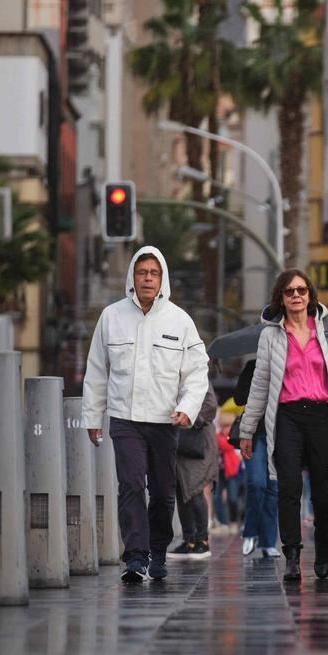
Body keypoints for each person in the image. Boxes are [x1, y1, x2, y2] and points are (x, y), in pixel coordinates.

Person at [82, 246, 209, 583]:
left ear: (162, 278)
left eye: (154, 273)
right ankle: (135, 558)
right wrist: (92, 417)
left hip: (166, 421)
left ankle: (157, 550)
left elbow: (197, 371)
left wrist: (187, 408)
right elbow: (97, 370)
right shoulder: (111, 317)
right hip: (125, 420)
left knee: (164, 492)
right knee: (132, 486)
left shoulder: (180, 320)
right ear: (132, 278)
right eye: (142, 273)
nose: (148, 278)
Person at [238, 269, 328, 582]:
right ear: (281, 297)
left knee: (322, 489)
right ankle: (291, 553)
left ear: (310, 294)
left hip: (322, 415)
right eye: (289, 291)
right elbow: (260, 384)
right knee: (288, 486)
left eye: (301, 290)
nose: (296, 296)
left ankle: (323, 548)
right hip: (287, 417)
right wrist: (247, 430)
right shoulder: (270, 336)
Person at [234, 359, 280, 558]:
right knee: (256, 482)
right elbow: (238, 398)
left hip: (279, 433)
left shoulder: (285, 364)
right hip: (254, 433)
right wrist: (260, 389)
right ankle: (250, 531)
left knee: (273, 487)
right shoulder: (252, 366)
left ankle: (268, 542)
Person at [169, 386, 218, 561]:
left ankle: (202, 541)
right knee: (182, 491)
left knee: (195, 489)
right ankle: (189, 541)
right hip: (181, 442)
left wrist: (190, 419)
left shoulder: (199, 376)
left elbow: (210, 406)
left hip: (198, 443)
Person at [214, 426, 243, 527]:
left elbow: (227, 445)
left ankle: (234, 521)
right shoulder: (217, 434)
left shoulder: (232, 433)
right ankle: (224, 523)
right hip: (219, 471)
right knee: (216, 498)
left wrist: (219, 436)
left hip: (231, 471)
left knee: (233, 498)